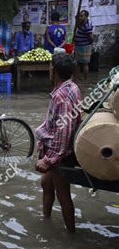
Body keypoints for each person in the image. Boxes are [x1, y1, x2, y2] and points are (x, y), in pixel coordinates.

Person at [35, 53, 81, 233]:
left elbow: (64, 132)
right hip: (57, 148)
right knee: (46, 184)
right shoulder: (72, 87)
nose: (48, 69)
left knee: (63, 196)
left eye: (50, 66)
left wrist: (49, 160)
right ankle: (45, 219)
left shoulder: (61, 96)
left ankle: (71, 235)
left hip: (60, 153)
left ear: (54, 70)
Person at [74, 10, 94, 80]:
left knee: (85, 63)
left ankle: (86, 78)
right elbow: (76, 18)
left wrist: (89, 43)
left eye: (82, 16)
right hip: (78, 45)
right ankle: (77, 77)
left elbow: (91, 37)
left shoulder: (87, 25)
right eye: (80, 16)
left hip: (85, 46)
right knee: (78, 63)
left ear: (86, 17)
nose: (80, 17)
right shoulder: (81, 22)